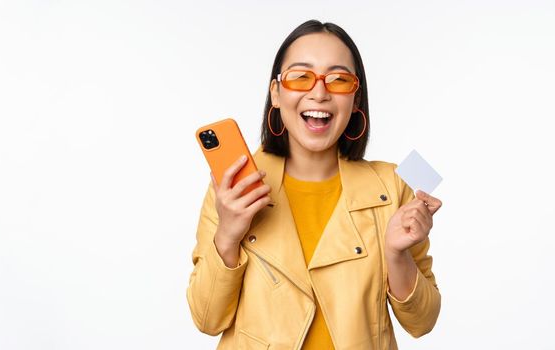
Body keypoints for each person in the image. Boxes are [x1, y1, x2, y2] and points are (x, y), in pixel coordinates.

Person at [187, 19, 442, 349]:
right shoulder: (233, 188)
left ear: (355, 98)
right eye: (300, 77)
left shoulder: (396, 185)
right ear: (276, 93)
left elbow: (423, 322)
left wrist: (396, 255)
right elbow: (206, 319)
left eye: (338, 80)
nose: (319, 93)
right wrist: (228, 235)